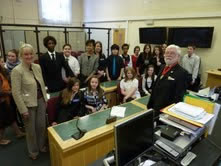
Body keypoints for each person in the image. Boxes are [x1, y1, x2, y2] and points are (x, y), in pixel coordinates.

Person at [11, 43, 48, 160]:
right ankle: (33, 151)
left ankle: (41, 146)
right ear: (21, 56)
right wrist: (23, 109)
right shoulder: (17, 71)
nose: (29, 56)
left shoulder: (37, 67)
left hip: (41, 101)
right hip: (28, 105)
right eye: (26, 54)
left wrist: (45, 100)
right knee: (30, 130)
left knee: (41, 126)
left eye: (31, 53)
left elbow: (41, 84)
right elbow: (16, 92)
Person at [147, 44, 188, 116]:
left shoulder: (182, 73)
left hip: (166, 111)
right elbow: (157, 86)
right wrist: (150, 105)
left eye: (172, 53)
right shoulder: (162, 67)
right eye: (167, 53)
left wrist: (169, 113)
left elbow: (178, 97)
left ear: (178, 56)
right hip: (155, 107)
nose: (169, 55)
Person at [0, 57, 25, 145]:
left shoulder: (3, 71)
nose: (3, 63)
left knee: (11, 117)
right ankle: (1, 139)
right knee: (2, 122)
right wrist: (10, 92)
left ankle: (18, 133)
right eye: (1, 62)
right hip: (1, 101)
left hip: (5, 100)